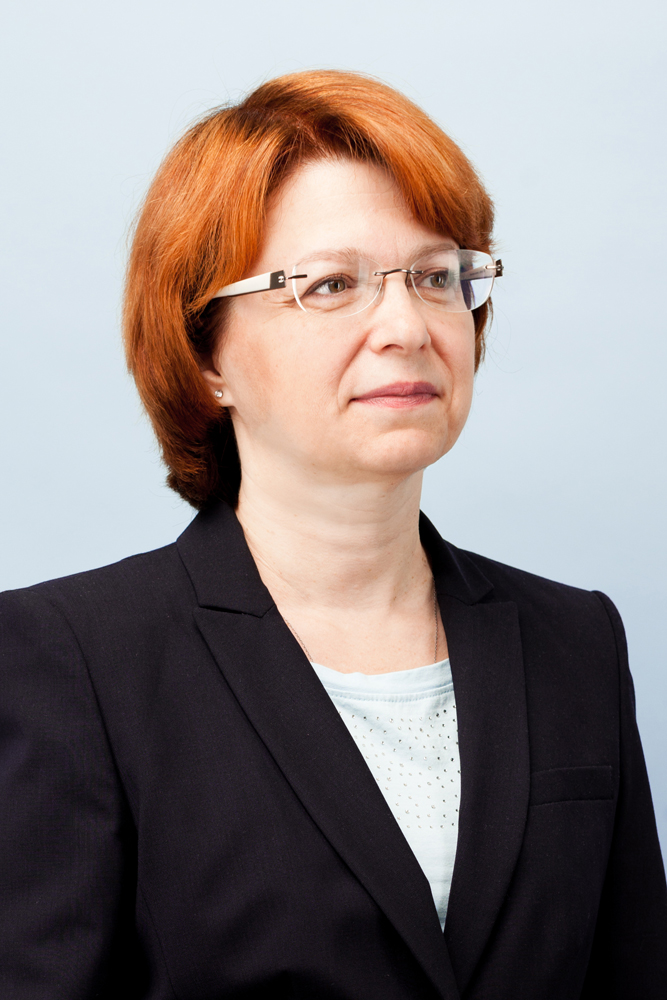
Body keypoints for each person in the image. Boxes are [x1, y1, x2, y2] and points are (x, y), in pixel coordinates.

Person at [0, 69, 665, 1000]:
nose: (405, 326)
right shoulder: (69, 659)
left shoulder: (575, 641)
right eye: (330, 285)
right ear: (205, 354)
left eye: (435, 276)